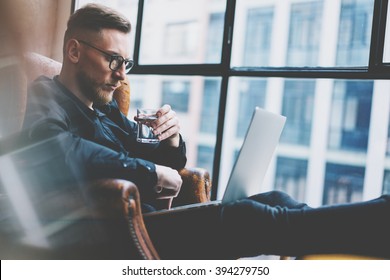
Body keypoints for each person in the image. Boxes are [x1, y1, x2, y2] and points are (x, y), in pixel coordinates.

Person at [22, 3, 390, 260]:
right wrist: (149, 172)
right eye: (113, 60)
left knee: (276, 198)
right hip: (114, 233)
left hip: (151, 218)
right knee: (247, 217)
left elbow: (162, 160)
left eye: (126, 62)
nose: (122, 74)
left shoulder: (105, 111)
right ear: (73, 51)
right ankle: (378, 221)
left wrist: (171, 141)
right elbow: (58, 149)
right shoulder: (45, 95)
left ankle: (355, 242)